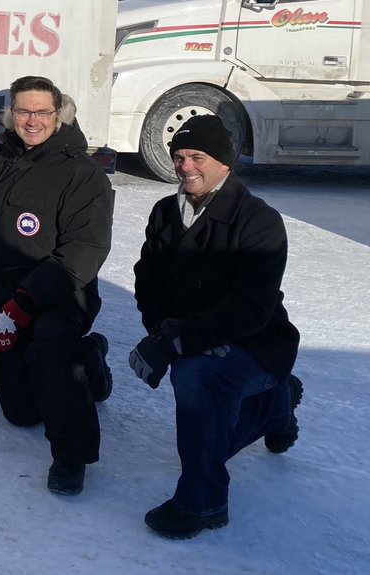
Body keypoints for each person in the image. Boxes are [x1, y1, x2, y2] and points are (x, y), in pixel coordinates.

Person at [130, 114, 301, 539]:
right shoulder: (165, 212)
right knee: (204, 429)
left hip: (257, 342)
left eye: (198, 156)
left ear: (225, 162)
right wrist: (162, 330)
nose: (186, 166)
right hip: (193, 333)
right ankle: (278, 404)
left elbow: (251, 308)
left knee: (196, 381)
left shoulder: (259, 221)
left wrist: (177, 341)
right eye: (179, 157)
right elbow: (147, 278)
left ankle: (203, 503)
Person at [0, 75, 113, 496]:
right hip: (2, 297)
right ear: (10, 115)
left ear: (58, 115)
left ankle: (72, 456)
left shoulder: (82, 174)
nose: (32, 121)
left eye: (42, 112)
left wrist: (26, 302)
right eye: (23, 111)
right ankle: (92, 354)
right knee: (22, 414)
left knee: (54, 353)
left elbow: (85, 250)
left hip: (58, 295)